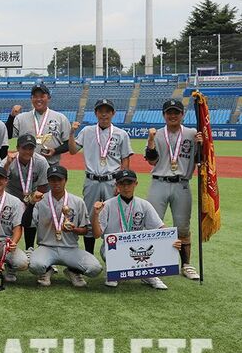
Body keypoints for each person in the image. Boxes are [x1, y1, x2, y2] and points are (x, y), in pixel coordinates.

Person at [91, 169, 183, 290]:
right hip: (113, 248)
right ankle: (114, 272)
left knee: (152, 246)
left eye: (129, 183)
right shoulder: (107, 205)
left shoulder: (144, 204)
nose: (126, 187)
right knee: (113, 254)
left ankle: (148, 274)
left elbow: (160, 227)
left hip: (137, 247)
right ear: (116, 185)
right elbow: (97, 235)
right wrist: (95, 214)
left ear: (136, 184)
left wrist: (172, 240)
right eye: (122, 184)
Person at [144, 98, 203, 281]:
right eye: (169, 113)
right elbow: (152, 160)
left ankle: (186, 265)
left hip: (182, 184)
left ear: (182, 114)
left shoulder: (192, 133)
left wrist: (201, 143)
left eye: (176, 112)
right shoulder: (157, 134)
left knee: (182, 225)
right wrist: (151, 140)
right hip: (159, 182)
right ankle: (152, 262)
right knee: (152, 223)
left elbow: (201, 159)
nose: (172, 116)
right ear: (164, 115)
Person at [68, 98, 133, 255]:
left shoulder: (121, 134)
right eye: (101, 111)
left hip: (112, 181)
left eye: (107, 111)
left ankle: (114, 255)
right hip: (92, 180)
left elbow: (125, 159)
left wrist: (121, 183)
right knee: (90, 218)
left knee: (114, 217)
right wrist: (71, 134)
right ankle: (89, 256)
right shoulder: (87, 131)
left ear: (113, 113)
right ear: (95, 113)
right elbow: (73, 150)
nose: (104, 114)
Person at [28, 165, 103, 287]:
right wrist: (31, 203)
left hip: (70, 248)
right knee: (35, 266)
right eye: (52, 180)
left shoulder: (77, 201)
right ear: (48, 181)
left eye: (59, 179)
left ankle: (72, 271)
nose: (56, 183)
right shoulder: (40, 200)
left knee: (95, 268)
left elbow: (85, 230)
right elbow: (27, 224)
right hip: (46, 247)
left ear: (66, 180)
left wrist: (74, 229)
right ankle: (47, 270)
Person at [2, 133, 49, 258]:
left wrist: (33, 201)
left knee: (33, 214)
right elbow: (0, 182)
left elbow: (43, 185)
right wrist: (7, 164)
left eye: (31, 148)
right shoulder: (8, 161)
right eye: (24, 148)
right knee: (7, 216)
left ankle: (29, 248)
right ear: (18, 148)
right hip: (12, 194)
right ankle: (5, 244)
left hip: (33, 193)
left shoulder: (41, 161)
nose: (27, 151)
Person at [9, 83, 72, 166]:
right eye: (35, 96)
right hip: (26, 165)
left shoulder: (60, 118)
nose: (38, 99)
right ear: (31, 99)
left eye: (42, 96)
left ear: (48, 98)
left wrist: (55, 151)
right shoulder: (21, 118)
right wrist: (12, 116)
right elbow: (8, 135)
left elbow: (69, 144)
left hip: (51, 164)